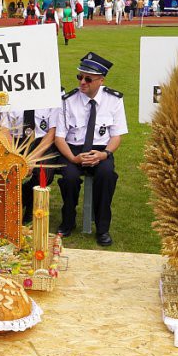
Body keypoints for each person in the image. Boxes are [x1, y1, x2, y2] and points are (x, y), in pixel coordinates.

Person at [55, 53, 127, 246]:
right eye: (80, 77)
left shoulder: (114, 100)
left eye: (88, 78)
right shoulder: (68, 101)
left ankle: (103, 228)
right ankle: (67, 221)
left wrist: (104, 154)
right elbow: (59, 137)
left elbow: (116, 135)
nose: (82, 82)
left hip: (101, 150)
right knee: (69, 178)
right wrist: (74, 158)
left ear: (101, 80)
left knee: (106, 175)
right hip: (74, 150)